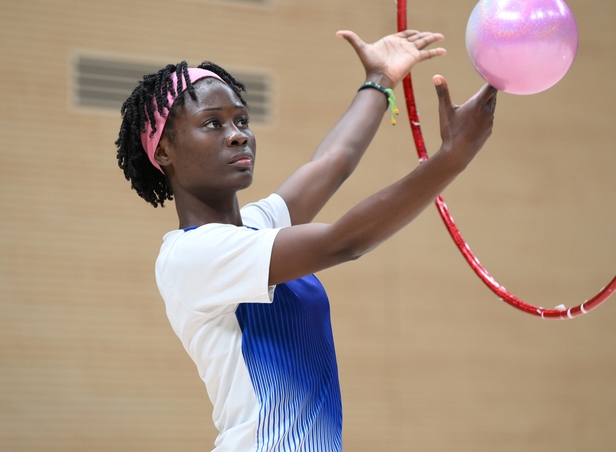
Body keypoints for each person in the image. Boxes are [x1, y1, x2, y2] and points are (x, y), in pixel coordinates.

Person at [115, 29, 497, 451]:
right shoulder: (191, 255)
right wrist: (452, 158)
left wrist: (379, 80)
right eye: (213, 124)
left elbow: (333, 162)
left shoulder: (257, 228)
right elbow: (343, 242)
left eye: (242, 120)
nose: (238, 134)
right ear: (164, 150)